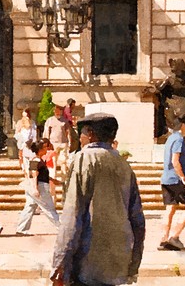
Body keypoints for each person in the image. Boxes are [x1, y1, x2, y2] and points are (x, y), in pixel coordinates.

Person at [51, 112, 145, 286]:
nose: (80, 138)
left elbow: (72, 216)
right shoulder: (123, 164)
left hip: (88, 261)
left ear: (91, 134)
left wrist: (60, 264)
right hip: (117, 259)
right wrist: (134, 263)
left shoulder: (84, 158)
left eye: (82, 133)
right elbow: (138, 220)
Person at [159, 117, 185, 251]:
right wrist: (184, 178)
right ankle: (174, 237)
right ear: (183, 125)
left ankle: (164, 239)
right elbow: (175, 160)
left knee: (170, 208)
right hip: (176, 180)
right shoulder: (179, 139)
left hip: (166, 179)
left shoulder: (170, 138)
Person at [16, 138, 60, 235]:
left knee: (30, 206)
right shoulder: (36, 160)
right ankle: (61, 227)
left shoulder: (38, 160)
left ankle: (21, 229)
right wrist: (36, 189)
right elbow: (34, 175)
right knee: (49, 207)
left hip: (36, 185)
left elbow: (41, 174)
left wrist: (53, 180)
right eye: (44, 148)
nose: (46, 149)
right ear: (40, 149)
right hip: (39, 187)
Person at [43, 104, 71, 198]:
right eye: (55, 110)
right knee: (53, 163)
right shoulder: (50, 120)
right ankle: (53, 180)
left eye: (57, 110)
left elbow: (67, 133)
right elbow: (46, 132)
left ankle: (64, 180)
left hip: (63, 143)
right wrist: (46, 143)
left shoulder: (64, 121)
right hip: (53, 143)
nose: (56, 112)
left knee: (63, 162)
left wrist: (69, 143)